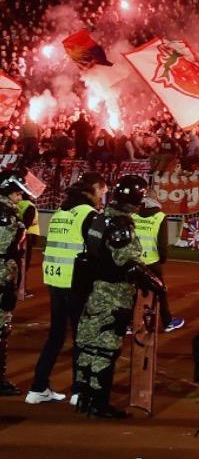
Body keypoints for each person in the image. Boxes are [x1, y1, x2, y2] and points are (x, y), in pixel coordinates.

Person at [72, 174, 166, 418]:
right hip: (112, 292)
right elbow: (129, 264)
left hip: (93, 289)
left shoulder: (99, 219)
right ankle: (99, 403)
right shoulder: (120, 225)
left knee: (88, 346)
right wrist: (156, 284)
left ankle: (84, 396)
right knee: (105, 349)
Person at [28, 172, 107, 405]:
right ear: (94, 189)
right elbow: (96, 251)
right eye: (102, 191)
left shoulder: (60, 213)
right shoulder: (89, 214)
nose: (103, 196)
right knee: (82, 338)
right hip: (77, 283)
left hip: (56, 281)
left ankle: (37, 387)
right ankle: (79, 391)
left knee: (56, 336)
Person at [0, 170, 33, 396]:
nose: (20, 198)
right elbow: (4, 248)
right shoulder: (5, 216)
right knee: (1, 328)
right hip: (1, 275)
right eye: (18, 194)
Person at [134, 193, 184, 332]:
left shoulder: (134, 216)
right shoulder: (160, 217)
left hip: (135, 261)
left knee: (131, 292)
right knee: (160, 292)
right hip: (152, 262)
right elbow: (162, 244)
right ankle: (167, 322)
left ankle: (129, 323)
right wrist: (162, 259)